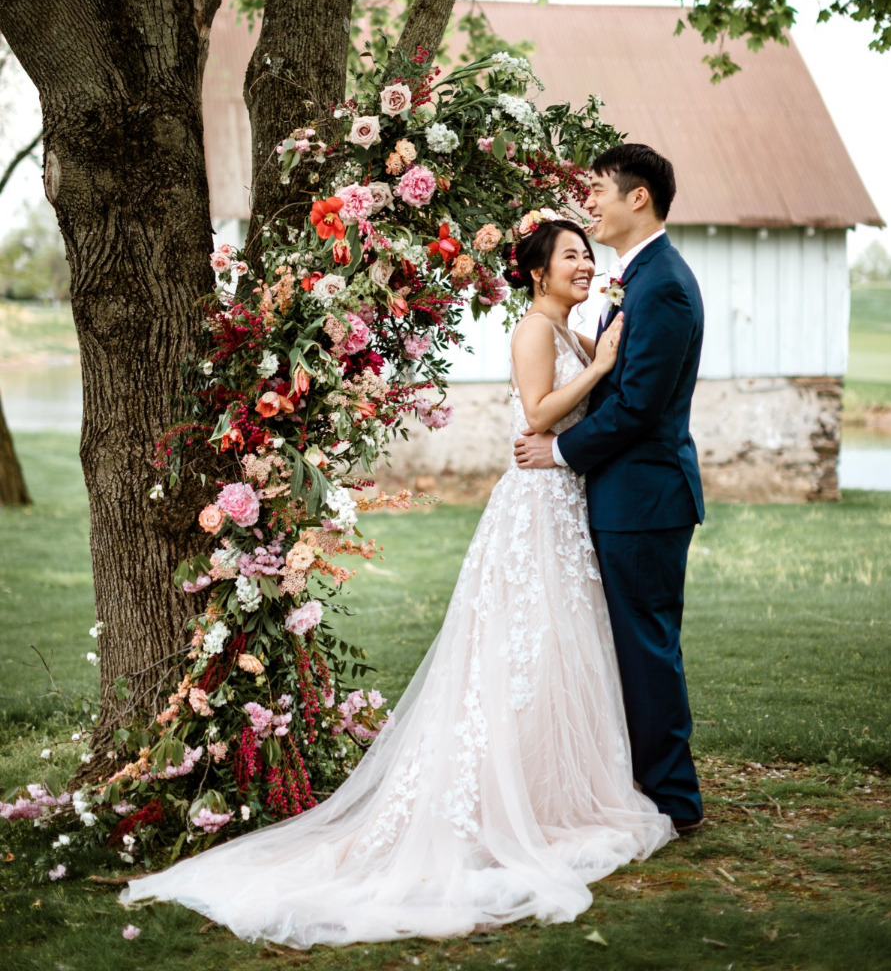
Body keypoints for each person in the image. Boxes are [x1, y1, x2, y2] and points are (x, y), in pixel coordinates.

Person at [121, 216, 675, 949]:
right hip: (534, 511)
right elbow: (539, 412)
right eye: (571, 255)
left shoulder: (570, 329)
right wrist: (604, 368)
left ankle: (550, 793)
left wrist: (599, 358)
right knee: (521, 650)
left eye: (587, 253)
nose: (584, 264)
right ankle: (491, 807)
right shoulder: (534, 331)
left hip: (563, 504)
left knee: (555, 653)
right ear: (538, 272)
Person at [515, 144, 705, 833]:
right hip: (622, 495)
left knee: (648, 649)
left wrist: (559, 449)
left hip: (645, 498)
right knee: (628, 646)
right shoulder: (639, 278)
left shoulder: (666, 286)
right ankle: (636, 782)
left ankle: (674, 803)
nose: (588, 203)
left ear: (638, 198)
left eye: (596, 191)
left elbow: (638, 408)